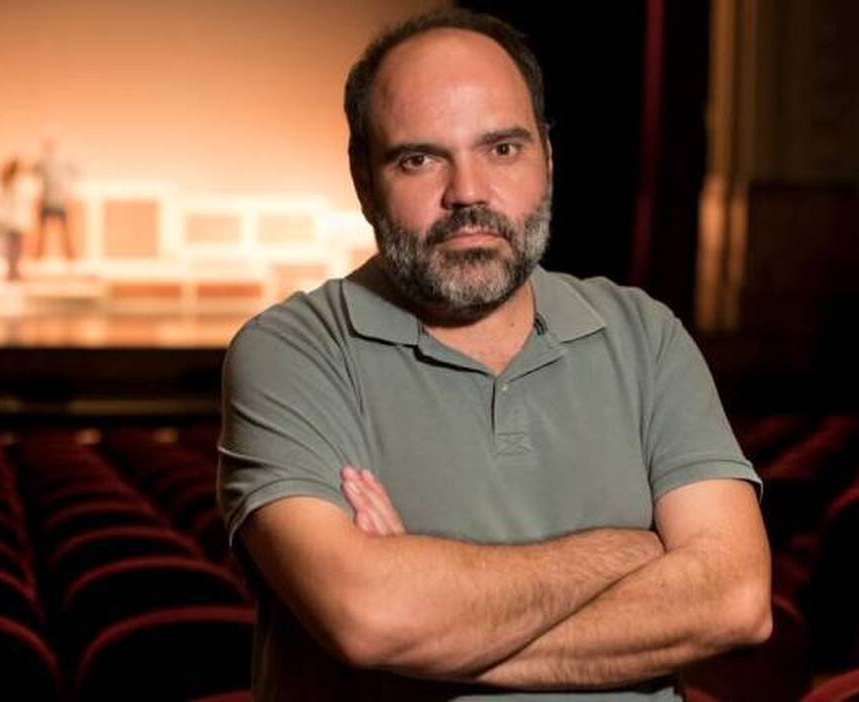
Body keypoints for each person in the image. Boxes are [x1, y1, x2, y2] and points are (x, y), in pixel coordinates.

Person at [217, 9, 771, 701]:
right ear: (363, 179)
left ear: (548, 159)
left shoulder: (645, 334)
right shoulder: (291, 352)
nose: (469, 193)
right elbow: (370, 619)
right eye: (419, 159)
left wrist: (431, 625)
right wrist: (631, 551)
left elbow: (735, 600)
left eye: (503, 148)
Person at [29, 138, 77, 260]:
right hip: (47, 201)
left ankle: (70, 259)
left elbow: (75, 172)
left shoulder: (63, 161)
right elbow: (32, 170)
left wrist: (68, 190)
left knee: (64, 232)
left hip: (59, 201)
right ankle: (38, 259)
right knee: (42, 233)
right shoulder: (42, 161)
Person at [0, 157, 25, 281]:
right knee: (13, 247)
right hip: (12, 220)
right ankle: (12, 271)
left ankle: (13, 271)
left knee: (13, 247)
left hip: (12, 220)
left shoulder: (11, 184)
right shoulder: (10, 185)